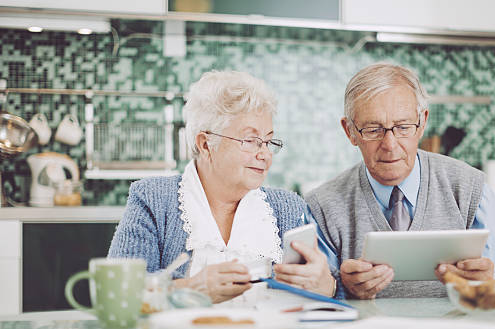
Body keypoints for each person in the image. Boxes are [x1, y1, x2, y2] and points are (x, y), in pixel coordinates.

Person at [109, 70, 336, 304]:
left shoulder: (289, 207)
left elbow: (331, 291)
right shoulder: (152, 199)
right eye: (250, 141)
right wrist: (187, 288)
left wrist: (326, 286)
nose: (265, 154)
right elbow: (117, 293)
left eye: (268, 142)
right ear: (206, 144)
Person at [305, 62, 495, 299]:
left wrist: (488, 283)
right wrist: (341, 289)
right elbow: (313, 298)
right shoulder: (322, 206)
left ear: (422, 123)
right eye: (373, 129)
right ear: (350, 132)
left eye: (403, 127)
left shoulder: (470, 188)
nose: (390, 145)